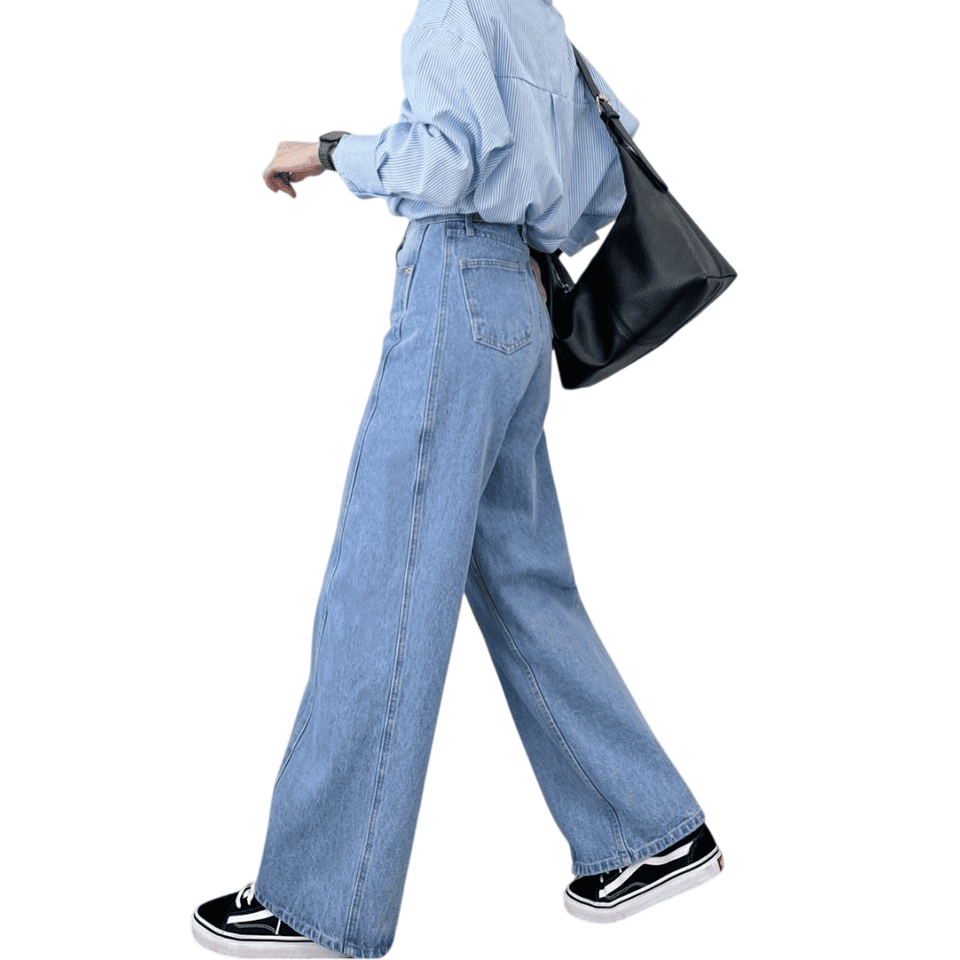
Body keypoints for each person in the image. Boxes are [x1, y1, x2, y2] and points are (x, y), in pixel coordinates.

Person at [191, 1, 722, 957]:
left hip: (454, 294)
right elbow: (599, 182)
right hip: (521, 302)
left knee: (381, 585)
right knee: (524, 584)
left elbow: (441, 165)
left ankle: (319, 899)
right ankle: (648, 830)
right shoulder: (537, 17)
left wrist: (329, 151)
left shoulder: (451, 12)